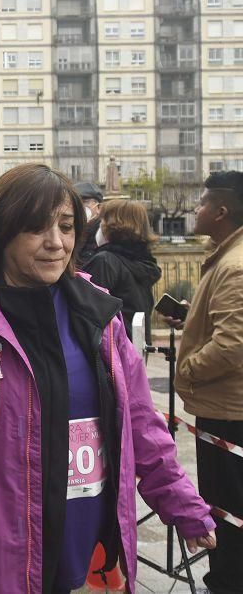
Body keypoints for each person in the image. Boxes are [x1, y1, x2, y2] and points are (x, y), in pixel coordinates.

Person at [0, 164, 216, 594]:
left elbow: (140, 421)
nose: (56, 243)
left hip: (88, 555)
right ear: (3, 232)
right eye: (36, 229)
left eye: (66, 227)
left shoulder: (98, 315)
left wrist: (181, 503)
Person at [160, 171, 243, 594]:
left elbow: (233, 344)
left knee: (228, 509)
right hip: (223, 407)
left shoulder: (234, 266)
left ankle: (227, 581)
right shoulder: (227, 258)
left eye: (203, 203)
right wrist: (192, 314)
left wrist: (186, 370)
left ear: (222, 211)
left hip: (229, 412)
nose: (196, 209)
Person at [83, 200, 161, 342]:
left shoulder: (105, 262)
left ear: (111, 227)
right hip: (134, 348)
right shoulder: (142, 264)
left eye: (102, 220)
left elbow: (85, 314)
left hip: (112, 353)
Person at [76, 182, 105, 265]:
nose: (80, 207)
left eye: (85, 202)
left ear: (99, 207)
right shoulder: (74, 229)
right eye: (77, 203)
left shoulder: (101, 233)